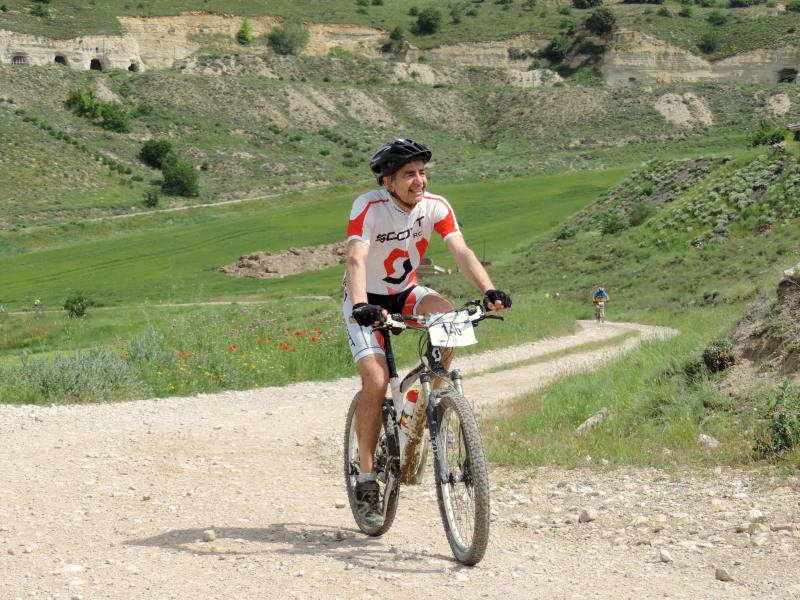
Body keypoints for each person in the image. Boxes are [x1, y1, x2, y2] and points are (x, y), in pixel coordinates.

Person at [343, 138, 512, 524]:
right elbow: (355, 259)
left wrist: (488, 290)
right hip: (365, 297)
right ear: (388, 181)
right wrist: (360, 305)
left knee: (447, 316)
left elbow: (461, 251)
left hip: (406, 292)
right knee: (376, 380)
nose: (419, 180)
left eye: (422, 172)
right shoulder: (368, 206)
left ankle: (432, 403)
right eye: (408, 174)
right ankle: (366, 477)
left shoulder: (436, 206)